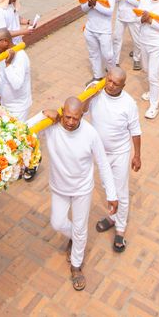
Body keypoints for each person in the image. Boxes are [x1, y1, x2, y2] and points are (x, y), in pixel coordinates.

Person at [41, 97, 118, 291]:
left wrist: (111, 194)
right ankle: (76, 238)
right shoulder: (51, 126)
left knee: (80, 228)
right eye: (67, 117)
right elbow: (27, 128)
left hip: (82, 189)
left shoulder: (90, 134)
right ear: (62, 112)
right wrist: (42, 114)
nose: (70, 122)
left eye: (75, 118)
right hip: (59, 187)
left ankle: (76, 266)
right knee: (57, 223)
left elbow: (103, 164)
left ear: (82, 116)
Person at [85, 67, 141, 253]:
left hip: (120, 153)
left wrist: (137, 155)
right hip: (100, 154)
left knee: (121, 192)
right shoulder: (95, 90)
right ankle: (112, 217)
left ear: (123, 86)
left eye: (116, 84)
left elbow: (135, 131)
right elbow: (82, 110)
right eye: (109, 80)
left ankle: (120, 229)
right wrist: (89, 95)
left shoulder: (129, 104)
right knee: (107, 187)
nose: (110, 85)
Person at [80, 0, 115, 84]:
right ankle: (97, 76)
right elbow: (83, 9)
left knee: (108, 55)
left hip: (104, 30)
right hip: (90, 29)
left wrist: (96, 4)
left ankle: (113, 75)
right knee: (93, 54)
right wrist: (89, 4)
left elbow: (109, 12)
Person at [111, 0, 143, 71]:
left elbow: (138, 3)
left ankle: (137, 59)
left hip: (133, 17)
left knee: (137, 40)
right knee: (116, 39)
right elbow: (114, 0)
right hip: (120, 15)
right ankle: (115, 62)